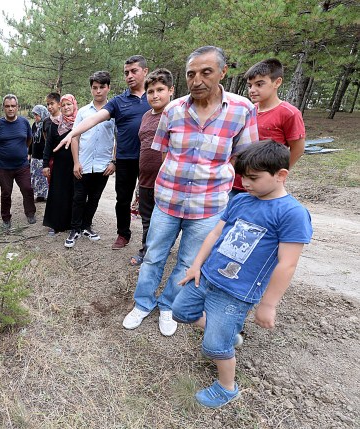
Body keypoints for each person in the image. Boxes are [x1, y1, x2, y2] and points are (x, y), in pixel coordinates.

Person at [122, 46, 259, 336]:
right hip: (167, 201)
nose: (197, 80)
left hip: (208, 207)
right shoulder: (172, 111)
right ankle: (142, 303)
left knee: (187, 260)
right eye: (191, 74)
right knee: (154, 256)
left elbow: (242, 156)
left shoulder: (242, 110)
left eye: (206, 72)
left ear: (223, 72)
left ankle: (168, 305)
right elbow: (162, 155)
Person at [172, 140, 312, 408]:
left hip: (237, 292)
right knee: (180, 311)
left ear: (281, 175)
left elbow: (287, 264)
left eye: (253, 178)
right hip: (207, 276)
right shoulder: (241, 200)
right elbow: (215, 233)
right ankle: (227, 335)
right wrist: (196, 264)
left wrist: (268, 305)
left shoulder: (292, 213)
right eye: (243, 177)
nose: (246, 183)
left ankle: (227, 387)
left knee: (213, 347)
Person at [56, 56, 151, 250]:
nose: (130, 76)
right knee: (121, 200)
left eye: (134, 71)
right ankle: (123, 234)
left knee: (150, 201)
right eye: (126, 73)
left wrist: (111, 160)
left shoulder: (154, 98)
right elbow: (95, 118)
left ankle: (149, 242)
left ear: (145, 71)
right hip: (125, 159)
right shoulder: (118, 102)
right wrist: (73, 133)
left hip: (150, 159)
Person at [230, 58, 307, 195]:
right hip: (235, 183)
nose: (252, 90)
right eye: (250, 85)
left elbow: (298, 149)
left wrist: (276, 174)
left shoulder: (289, 113)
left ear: (277, 82)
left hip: (263, 187)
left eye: (259, 84)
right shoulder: (247, 111)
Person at [65, 71, 115, 248]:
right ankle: (75, 229)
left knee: (94, 198)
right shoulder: (83, 112)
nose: (98, 91)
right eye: (95, 87)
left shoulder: (115, 111)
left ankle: (87, 226)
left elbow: (119, 138)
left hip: (103, 165)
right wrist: (76, 162)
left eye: (102, 87)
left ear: (108, 88)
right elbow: (75, 137)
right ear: (91, 89)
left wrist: (113, 161)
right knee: (78, 197)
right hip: (84, 164)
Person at [129, 68, 174, 265]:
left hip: (168, 179)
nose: (155, 95)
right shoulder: (146, 115)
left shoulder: (176, 113)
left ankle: (151, 254)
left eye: (160, 90)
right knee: (147, 219)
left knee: (163, 221)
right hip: (146, 178)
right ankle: (148, 250)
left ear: (170, 90)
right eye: (150, 91)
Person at [0, 94, 37, 231]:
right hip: (4, 167)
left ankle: (30, 213)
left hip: (22, 165)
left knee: (27, 189)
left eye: (13, 106)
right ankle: (6, 219)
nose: (10, 109)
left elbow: (29, 139)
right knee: (6, 193)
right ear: (3, 108)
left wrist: (23, 151)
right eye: (7, 106)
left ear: (17, 107)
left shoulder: (24, 122)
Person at [42, 94, 78, 235]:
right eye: (63, 105)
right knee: (58, 194)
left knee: (75, 194)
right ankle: (55, 224)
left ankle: (73, 224)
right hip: (59, 166)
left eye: (69, 104)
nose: (66, 107)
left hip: (76, 165)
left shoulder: (81, 123)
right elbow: (48, 146)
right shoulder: (55, 125)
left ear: (74, 105)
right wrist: (45, 165)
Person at [29, 105, 50, 202]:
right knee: (35, 176)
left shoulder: (46, 125)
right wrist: (29, 153)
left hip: (43, 156)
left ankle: (45, 195)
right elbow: (31, 140)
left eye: (37, 115)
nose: (35, 117)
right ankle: (38, 195)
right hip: (35, 155)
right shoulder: (34, 125)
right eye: (34, 115)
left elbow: (48, 142)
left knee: (43, 177)